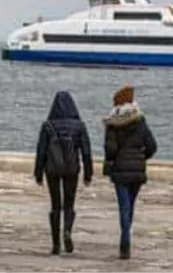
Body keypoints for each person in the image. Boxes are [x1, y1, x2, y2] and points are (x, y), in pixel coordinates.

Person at [34, 91, 93, 255]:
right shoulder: (79, 126)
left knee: (55, 205)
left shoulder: (47, 126)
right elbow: (86, 152)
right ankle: (67, 229)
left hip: (52, 169)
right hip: (71, 169)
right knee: (69, 203)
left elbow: (41, 152)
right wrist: (88, 174)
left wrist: (38, 173)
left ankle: (55, 244)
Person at [102, 85, 158, 260]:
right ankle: (127, 236)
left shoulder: (113, 124)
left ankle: (124, 240)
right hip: (137, 171)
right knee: (131, 206)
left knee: (123, 207)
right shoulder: (141, 121)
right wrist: (141, 158)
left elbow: (110, 150)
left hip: (120, 171)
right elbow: (152, 146)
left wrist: (114, 157)